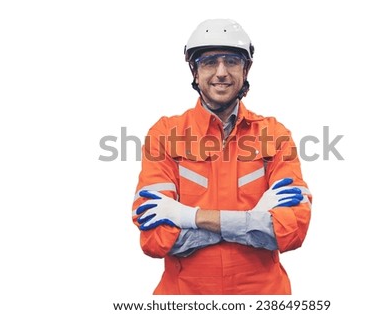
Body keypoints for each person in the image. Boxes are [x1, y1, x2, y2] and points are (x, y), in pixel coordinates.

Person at [132, 19, 312, 295]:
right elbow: (155, 240)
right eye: (209, 62)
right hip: (184, 299)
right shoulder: (165, 134)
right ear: (194, 71)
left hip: (263, 299)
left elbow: (291, 231)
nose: (221, 72)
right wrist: (253, 220)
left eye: (231, 61)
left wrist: (187, 216)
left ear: (246, 69)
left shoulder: (274, 134)